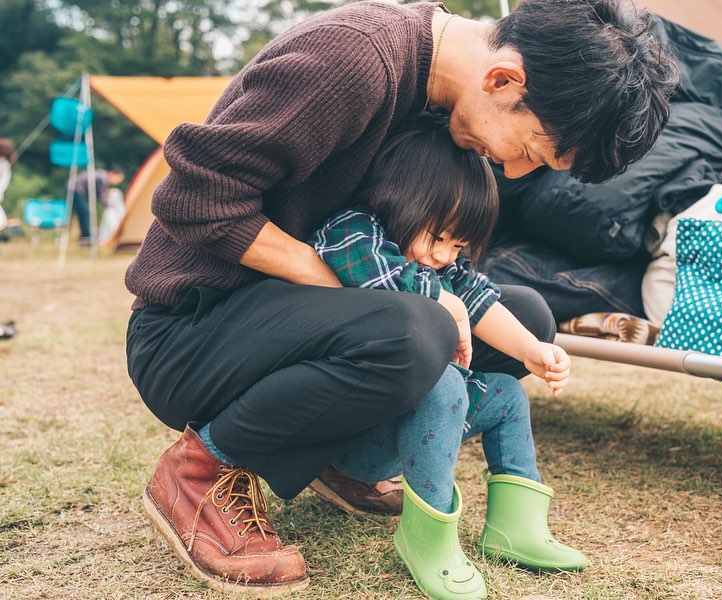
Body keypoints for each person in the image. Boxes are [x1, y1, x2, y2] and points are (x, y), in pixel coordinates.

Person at [125, 0, 678, 595]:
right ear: (503, 80)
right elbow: (193, 197)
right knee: (417, 329)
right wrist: (398, 299)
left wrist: (425, 297)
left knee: (526, 319)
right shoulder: (353, 60)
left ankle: (337, 456)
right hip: (191, 334)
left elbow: (441, 271)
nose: (515, 172)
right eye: (531, 150)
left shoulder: (442, 101)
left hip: (295, 332)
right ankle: (199, 471)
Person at [310, 111, 586, 599]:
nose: (443, 256)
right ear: (397, 201)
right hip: (345, 434)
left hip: (409, 425)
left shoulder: (440, 262)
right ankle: (428, 538)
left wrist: (533, 349)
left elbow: (480, 298)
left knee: (504, 395)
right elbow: (380, 283)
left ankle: (514, 527)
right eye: (437, 237)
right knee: (445, 381)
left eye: (457, 245)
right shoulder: (355, 230)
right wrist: (447, 305)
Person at [68, 167, 125, 244]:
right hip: (75, 188)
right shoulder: (103, 178)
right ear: (113, 174)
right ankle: (86, 238)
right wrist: (108, 205)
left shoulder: (102, 175)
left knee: (83, 213)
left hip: (76, 188)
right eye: (118, 178)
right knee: (84, 213)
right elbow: (101, 194)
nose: (118, 182)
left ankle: (85, 236)